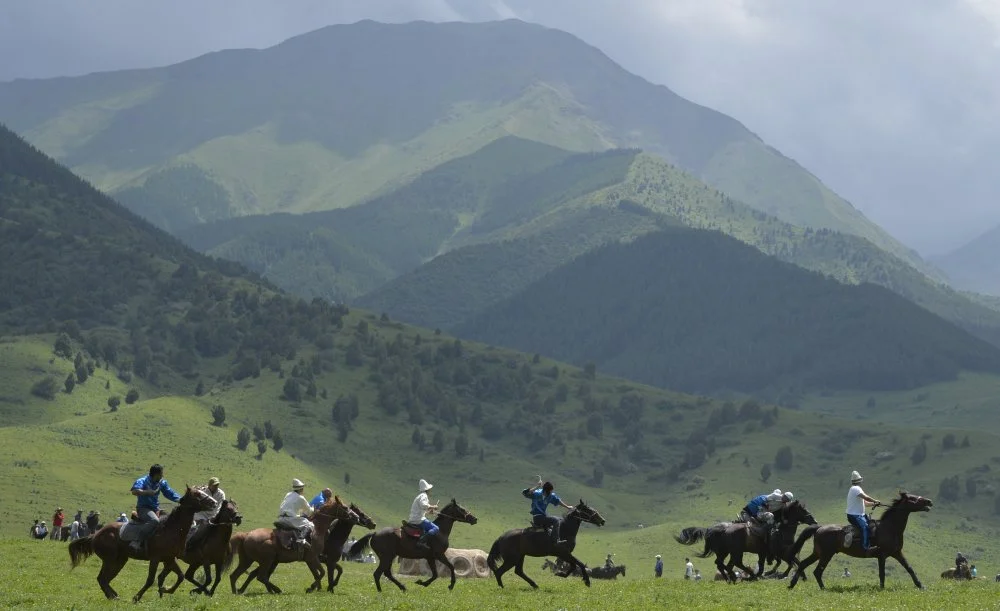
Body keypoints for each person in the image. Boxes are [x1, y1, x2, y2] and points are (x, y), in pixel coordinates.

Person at [130, 464, 183, 552]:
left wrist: (181, 500)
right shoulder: (142, 480)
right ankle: (136, 541)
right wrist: (147, 492)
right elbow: (134, 491)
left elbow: (169, 493)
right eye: (161, 473)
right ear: (156, 474)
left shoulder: (162, 482)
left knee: (169, 520)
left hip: (156, 508)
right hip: (143, 508)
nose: (162, 475)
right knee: (154, 521)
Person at [522, 478, 574, 548]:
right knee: (556, 520)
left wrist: (567, 507)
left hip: (543, 516)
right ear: (546, 491)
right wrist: (537, 486)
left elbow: (558, 501)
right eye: (550, 491)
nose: (551, 492)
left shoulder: (550, 496)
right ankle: (556, 541)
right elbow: (524, 493)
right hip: (538, 517)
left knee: (560, 520)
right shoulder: (536, 493)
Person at [187, 476, 226, 551]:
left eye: (217, 485)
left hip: (214, 515)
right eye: (214, 485)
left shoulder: (221, 494)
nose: (216, 486)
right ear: (209, 485)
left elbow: (221, 506)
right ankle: (189, 543)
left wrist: (215, 516)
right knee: (195, 528)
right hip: (201, 514)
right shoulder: (203, 491)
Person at [846, 470, 880, 553]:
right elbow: (866, 497)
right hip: (854, 515)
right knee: (864, 527)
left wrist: (873, 504)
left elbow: (865, 503)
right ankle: (865, 548)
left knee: (871, 525)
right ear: (859, 481)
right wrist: (875, 501)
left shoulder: (857, 489)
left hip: (859, 515)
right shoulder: (855, 489)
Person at [276, 478, 315, 543]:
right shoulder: (301, 498)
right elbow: (309, 513)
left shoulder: (288, 494)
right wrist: (313, 509)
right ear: (301, 489)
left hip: (280, 518)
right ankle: (301, 539)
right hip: (289, 520)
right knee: (310, 525)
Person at [409, 478, 440, 551]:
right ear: (427, 490)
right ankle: (421, 541)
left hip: (415, 518)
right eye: (429, 489)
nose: (430, 491)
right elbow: (423, 505)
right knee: (436, 528)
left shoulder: (420, 496)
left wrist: (429, 512)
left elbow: (422, 509)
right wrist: (433, 507)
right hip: (418, 520)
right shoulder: (424, 496)